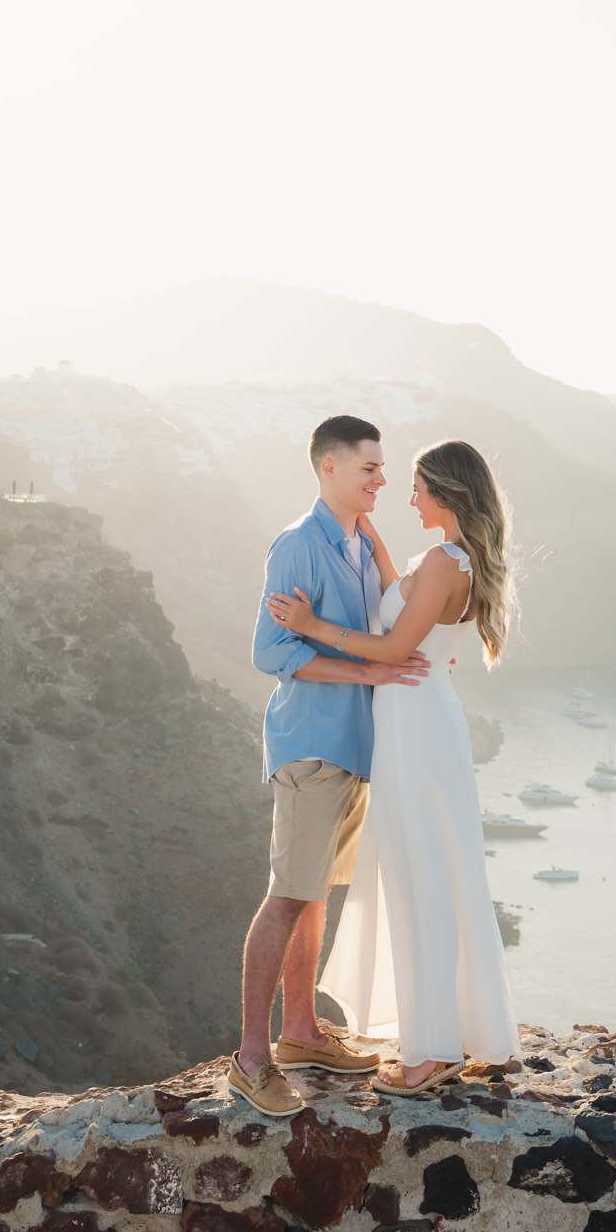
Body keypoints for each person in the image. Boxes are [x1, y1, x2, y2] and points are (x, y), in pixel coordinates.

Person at [267, 438, 521, 1095]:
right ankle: (454, 1036)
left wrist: (310, 623)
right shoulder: (447, 560)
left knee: (417, 883)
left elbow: (391, 646)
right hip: (420, 721)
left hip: (413, 728)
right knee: (434, 875)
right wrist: (373, 543)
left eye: (417, 486)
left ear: (446, 492)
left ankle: (429, 1053)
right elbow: (399, 605)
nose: (408, 496)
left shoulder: (442, 560)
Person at [229, 415, 432, 1117]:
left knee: (314, 893)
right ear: (329, 468)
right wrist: (369, 677)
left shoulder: (354, 540)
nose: (381, 478)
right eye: (368, 469)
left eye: (381, 468)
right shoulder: (296, 546)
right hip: (312, 745)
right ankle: (251, 1060)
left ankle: (301, 1032)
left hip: (351, 748)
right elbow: (270, 653)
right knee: (288, 894)